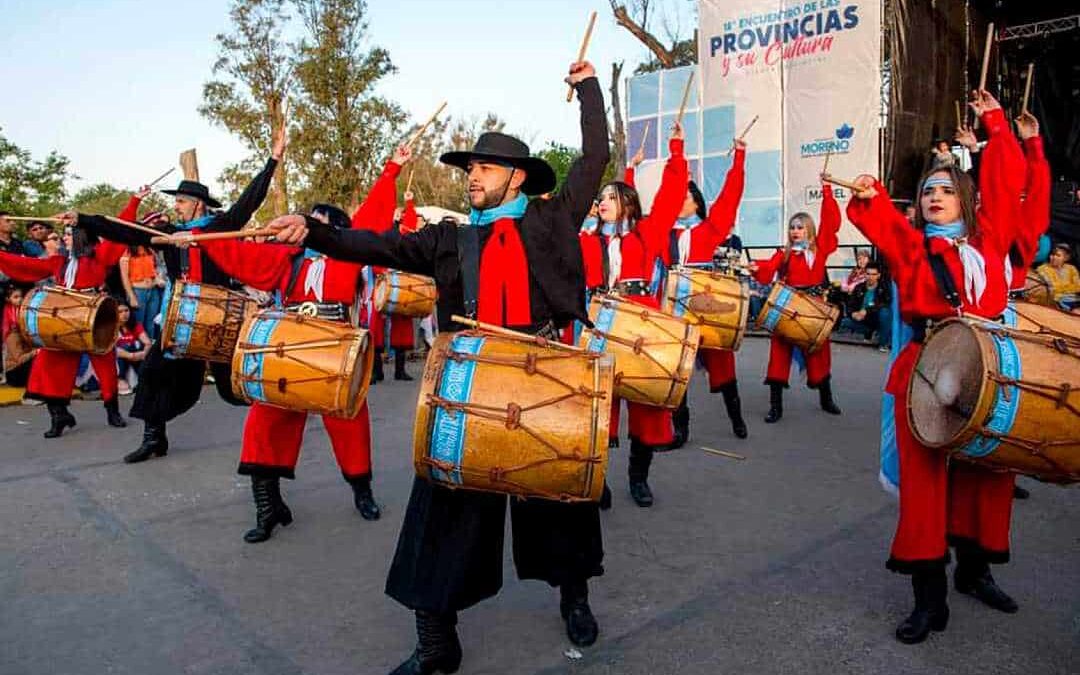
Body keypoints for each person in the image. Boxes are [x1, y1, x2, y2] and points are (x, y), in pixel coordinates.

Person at [273, 60, 608, 674]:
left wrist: (588, 87)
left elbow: (595, 155)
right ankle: (436, 641)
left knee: (561, 501)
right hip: (467, 383)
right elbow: (377, 245)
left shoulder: (552, 218)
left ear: (515, 177)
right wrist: (312, 235)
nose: (470, 177)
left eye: (481, 168)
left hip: (543, 375)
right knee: (441, 511)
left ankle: (574, 594)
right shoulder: (450, 239)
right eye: (470, 168)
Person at [847, 89, 1027, 644]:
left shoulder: (991, 239)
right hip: (923, 369)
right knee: (925, 488)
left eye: (947, 190)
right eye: (927, 192)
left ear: (966, 200)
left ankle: (976, 572)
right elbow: (881, 222)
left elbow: (1004, 183)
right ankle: (930, 600)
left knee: (986, 477)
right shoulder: (912, 249)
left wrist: (996, 126)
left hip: (989, 367)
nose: (935, 198)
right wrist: (871, 194)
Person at [196, 148, 411, 542]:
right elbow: (237, 253)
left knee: (349, 422)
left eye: (319, 219)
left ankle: (362, 492)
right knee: (264, 422)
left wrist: (392, 169)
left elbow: (373, 216)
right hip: (287, 349)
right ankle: (269, 505)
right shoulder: (284, 259)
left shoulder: (347, 257)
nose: (309, 225)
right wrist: (200, 234)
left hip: (334, 349)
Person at [75, 125, 285, 464]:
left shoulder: (219, 228)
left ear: (198, 204)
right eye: (176, 201)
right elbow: (123, 229)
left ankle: (282, 414)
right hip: (178, 315)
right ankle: (154, 438)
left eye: (182, 201)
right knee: (154, 371)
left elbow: (249, 201)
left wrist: (273, 160)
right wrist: (83, 218)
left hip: (217, 314)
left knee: (236, 380)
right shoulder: (169, 233)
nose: (176, 206)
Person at [595, 123, 688, 506]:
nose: (602, 202)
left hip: (641, 321)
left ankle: (638, 479)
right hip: (599, 324)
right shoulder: (589, 239)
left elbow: (671, 195)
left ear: (628, 206)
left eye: (611, 198)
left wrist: (677, 150)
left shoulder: (646, 234)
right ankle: (596, 481)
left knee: (646, 404)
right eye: (600, 197)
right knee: (595, 405)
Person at [0, 193, 145, 437]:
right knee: (48, 365)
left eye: (67, 234)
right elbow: (26, 266)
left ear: (78, 236)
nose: (62, 239)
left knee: (105, 364)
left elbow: (118, 230)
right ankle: (60, 415)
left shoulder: (100, 257)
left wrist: (134, 202)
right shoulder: (59, 262)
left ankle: (112, 410)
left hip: (95, 318)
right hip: (63, 322)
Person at [665, 139, 749, 445]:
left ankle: (736, 417)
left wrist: (739, 159)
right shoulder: (664, 231)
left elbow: (730, 197)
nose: (679, 200)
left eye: (685, 196)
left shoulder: (710, 228)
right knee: (677, 368)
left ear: (697, 202)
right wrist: (677, 150)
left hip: (707, 305)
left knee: (722, 365)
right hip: (675, 308)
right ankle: (681, 428)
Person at [751, 177, 842, 422]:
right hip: (787, 307)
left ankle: (826, 398)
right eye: (792, 227)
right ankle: (775, 406)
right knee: (779, 355)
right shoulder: (785, 254)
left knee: (820, 353)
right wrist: (755, 267)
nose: (795, 231)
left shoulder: (820, 249)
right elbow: (768, 269)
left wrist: (827, 191)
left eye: (800, 227)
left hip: (813, 308)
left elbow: (831, 223)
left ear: (809, 229)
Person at [839, 261, 891, 351]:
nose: (870, 277)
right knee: (844, 322)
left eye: (873, 274)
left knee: (885, 312)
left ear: (878, 275)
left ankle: (883, 343)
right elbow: (850, 305)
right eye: (868, 274)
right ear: (865, 274)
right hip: (862, 319)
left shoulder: (884, 288)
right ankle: (870, 332)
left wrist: (867, 311)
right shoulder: (859, 287)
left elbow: (884, 303)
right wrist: (853, 314)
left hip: (876, 318)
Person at [114, 302, 152, 394]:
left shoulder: (135, 325)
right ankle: (120, 379)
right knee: (125, 347)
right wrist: (131, 355)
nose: (124, 314)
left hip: (137, 358)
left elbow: (148, 343)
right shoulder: (109, 328)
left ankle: (144, 379)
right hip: (120, 360)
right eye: (120, 312)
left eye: (126, 310)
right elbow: (111, 349)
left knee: (138, 345)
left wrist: (143, 354)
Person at [2, 286, 36, 388]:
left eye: (21, 296)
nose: (20, 299)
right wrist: (35, 352)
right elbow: (19, 359)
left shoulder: (23, 331)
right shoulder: (11, 335)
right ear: (8, 299)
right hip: (14, 374)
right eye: (15, 297)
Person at [1036, 243, 1080, 311]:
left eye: (1058, 255)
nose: (1054, 257)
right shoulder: (1042, 269)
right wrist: (1070, 287)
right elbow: (1051, 288)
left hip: (1073, 299)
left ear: (1066, 258)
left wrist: (1061, 288)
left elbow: (1078, 287)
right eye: (1052, 254)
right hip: (1054, 301)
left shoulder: (1071, 269)